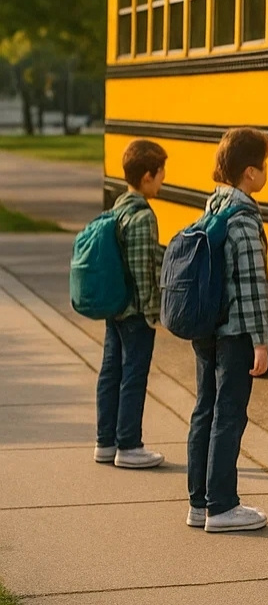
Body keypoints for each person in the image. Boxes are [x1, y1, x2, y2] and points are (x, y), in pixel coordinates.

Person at [188, 127, 268, 533]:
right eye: (265, 165)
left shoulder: (211, 209)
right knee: (229, 415)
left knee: (204, 410)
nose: (266, 173)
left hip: (206, 327)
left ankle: (198, 503)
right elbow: (254, 288)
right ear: (250, 172)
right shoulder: (244, 218)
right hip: (236, 333)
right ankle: (222, 506)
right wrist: (262, 341)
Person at [95, 139, 169, 470]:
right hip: (134, 313)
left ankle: (105, 441)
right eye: (161, 173)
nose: (163, 180)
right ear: (148, 176)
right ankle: (129, 444)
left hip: (113, 308)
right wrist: (155, 315)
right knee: (133, 375)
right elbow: (143, 273)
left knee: (111, 372)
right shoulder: (143, 217)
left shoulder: (116, 209)